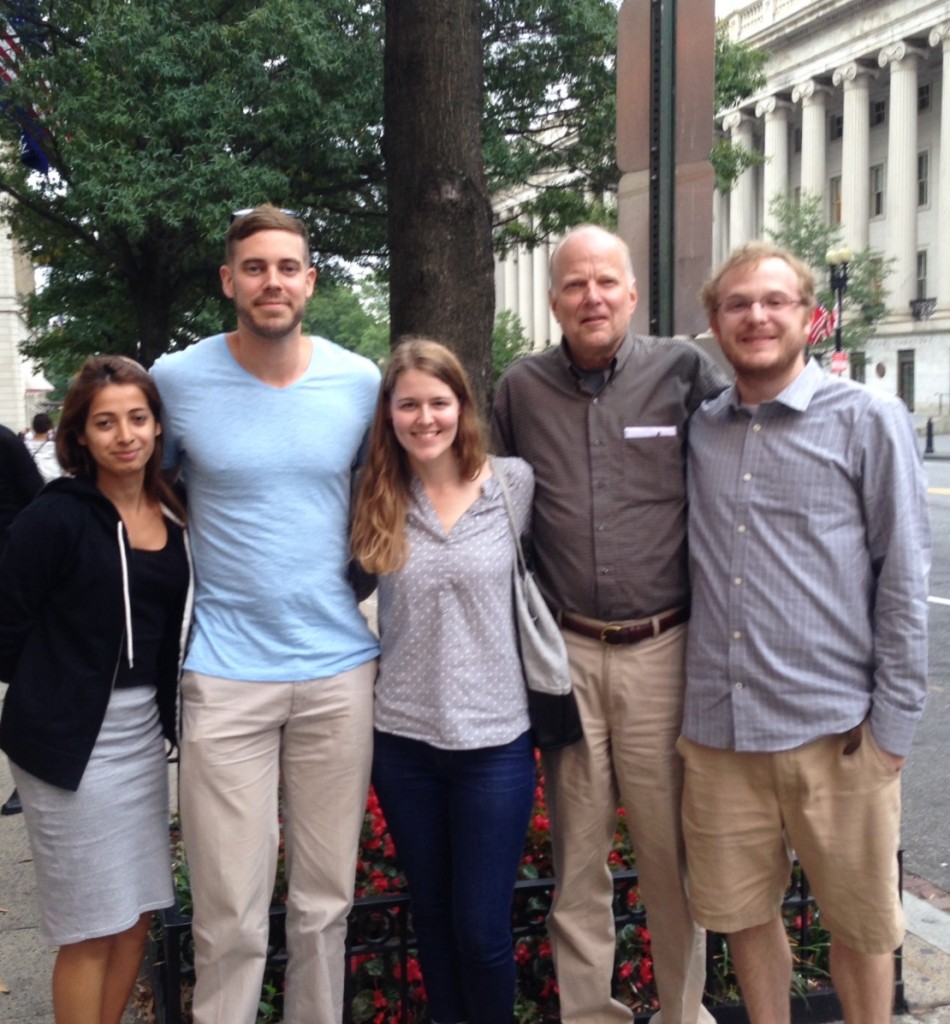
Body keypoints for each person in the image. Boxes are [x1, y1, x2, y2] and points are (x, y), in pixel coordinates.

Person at [680, 241, 930, 1024]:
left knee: (860, 926)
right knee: (745, 916)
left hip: (839, 736)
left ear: (808, 315)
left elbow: (904, 579)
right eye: (737, 304)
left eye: (774, 300)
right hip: (723, 735)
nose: (756, 316)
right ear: (715, 322)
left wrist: (892, 730)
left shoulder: (868, 418)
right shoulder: (703, 431)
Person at [492, 224, 728, 1024]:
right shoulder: (519, 391)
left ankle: (681, 1012)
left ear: (632, 293)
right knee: (578, 860)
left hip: (664, 649)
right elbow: (494, 513)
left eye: (605, 283)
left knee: (670, 859)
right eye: (574, 285)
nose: (590, 297)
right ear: (553, 300)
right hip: (566, 654)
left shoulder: (684, 372)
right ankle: (589, 1013)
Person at [151, 204, 381, 1024]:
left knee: (325, 904)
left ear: (310, 281)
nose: (272, 281)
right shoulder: (176, 380)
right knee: (229, 914)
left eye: (288, 267)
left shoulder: (360, 382)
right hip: (224, 676)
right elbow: (154, 486)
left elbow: (379, 498)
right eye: (255, 268)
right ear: (229, 281)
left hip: (337, 674)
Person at [0, 355, 191, 1024]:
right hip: (66, 744)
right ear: (79, 436)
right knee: (88, 928)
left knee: (136, 915)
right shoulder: (56, 518)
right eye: (104, 423)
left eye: (137, 418)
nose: (124, 435)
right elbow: (6, 629)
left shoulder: (175, 512)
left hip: (141, 738)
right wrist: (55, 686)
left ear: (158, 427)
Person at [351, 338, 536, 1024]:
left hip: (496, 745)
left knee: (482, 931)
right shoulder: (376, 493)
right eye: (408, 404)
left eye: (438, 401)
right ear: (389, 414)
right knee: (430, 916)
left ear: (462, 405)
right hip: (404, 744)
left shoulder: (514, 485)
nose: (424, 417)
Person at [0, 422, 45, 818]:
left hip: (11, 575)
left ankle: (27, 774)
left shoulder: (4, 440)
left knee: (23, 674)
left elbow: (38, 497)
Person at [24, 412, 63, 482]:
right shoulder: (56, 447)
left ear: (33, 427)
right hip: (52, 485)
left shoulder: (24, 447)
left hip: (33, 486)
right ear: (49, 428)